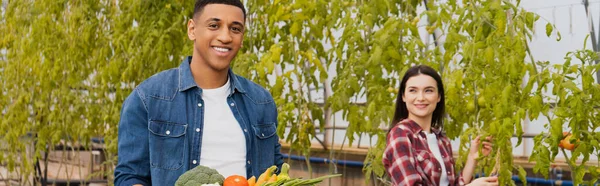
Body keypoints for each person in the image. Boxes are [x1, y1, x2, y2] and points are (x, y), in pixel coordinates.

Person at [114, 0, 283, 185]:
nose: (225, 36)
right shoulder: (148, 98)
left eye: (235, 29)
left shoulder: (261, 102)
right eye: (214, 25)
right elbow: (130, 176)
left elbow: (276, 171)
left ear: (242, 38)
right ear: (192, 29)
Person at [382, 65, 498, 186]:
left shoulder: (442, 140)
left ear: (438, 97)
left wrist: (472, 158)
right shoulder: (400, 134)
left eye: (428, 90)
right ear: (403, 96)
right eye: (413, 90)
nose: (421, 98)